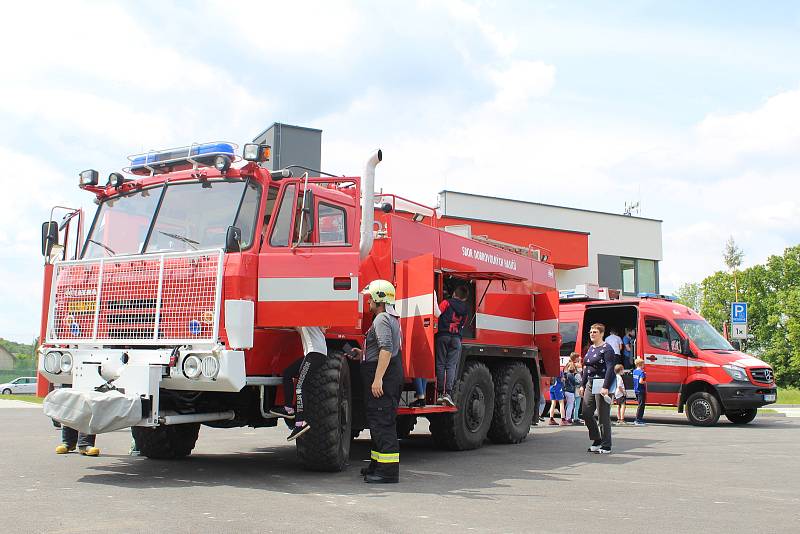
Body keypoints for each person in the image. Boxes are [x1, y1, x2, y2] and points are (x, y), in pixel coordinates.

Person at [351, 279, 403, 484]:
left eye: (370, 297)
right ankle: (377, 464)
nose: (368, 301)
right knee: (377, 422)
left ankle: (387, 472)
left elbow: (386, 349)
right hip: (388, 375)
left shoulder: (381, 319)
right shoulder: (390, 318)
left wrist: (378, 379)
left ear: (378, 299)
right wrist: (362, 353)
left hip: (384, 378)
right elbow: (381, 348)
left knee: (382, 423)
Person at [578, 323, 618, 455]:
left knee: (603, 416)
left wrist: (606, 386)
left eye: (595, 332)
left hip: (601, 383)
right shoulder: (591, 348)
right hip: (590, 383)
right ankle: (597, 439)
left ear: (601, 334)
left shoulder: (607, 349)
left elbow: (610, 369)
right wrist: (582, 385)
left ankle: (606, 445)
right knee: (586, 412)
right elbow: (586, 368)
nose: (592, 334)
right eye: (591, 332)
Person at [435, 285, 469, 406]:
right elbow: (464, 323)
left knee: (440, 363)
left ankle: (439, 393)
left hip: (443, 336)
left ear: (454, 293)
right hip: (456, 339)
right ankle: (448, 394)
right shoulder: (465, 308)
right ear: (464, 298)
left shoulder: (446, 302)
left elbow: (436, 313)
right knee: (451, 366)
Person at [633, 358, 647, 425]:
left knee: (639, 404)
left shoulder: (635, 371)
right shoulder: (642, 372)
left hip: (636, 390)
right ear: (641, 364)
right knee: (641, 405)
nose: (644, 365)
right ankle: (638, 419)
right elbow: (641, 381)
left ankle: (638, 419)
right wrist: (645, 382)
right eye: (643, 364)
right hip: (641, 390)